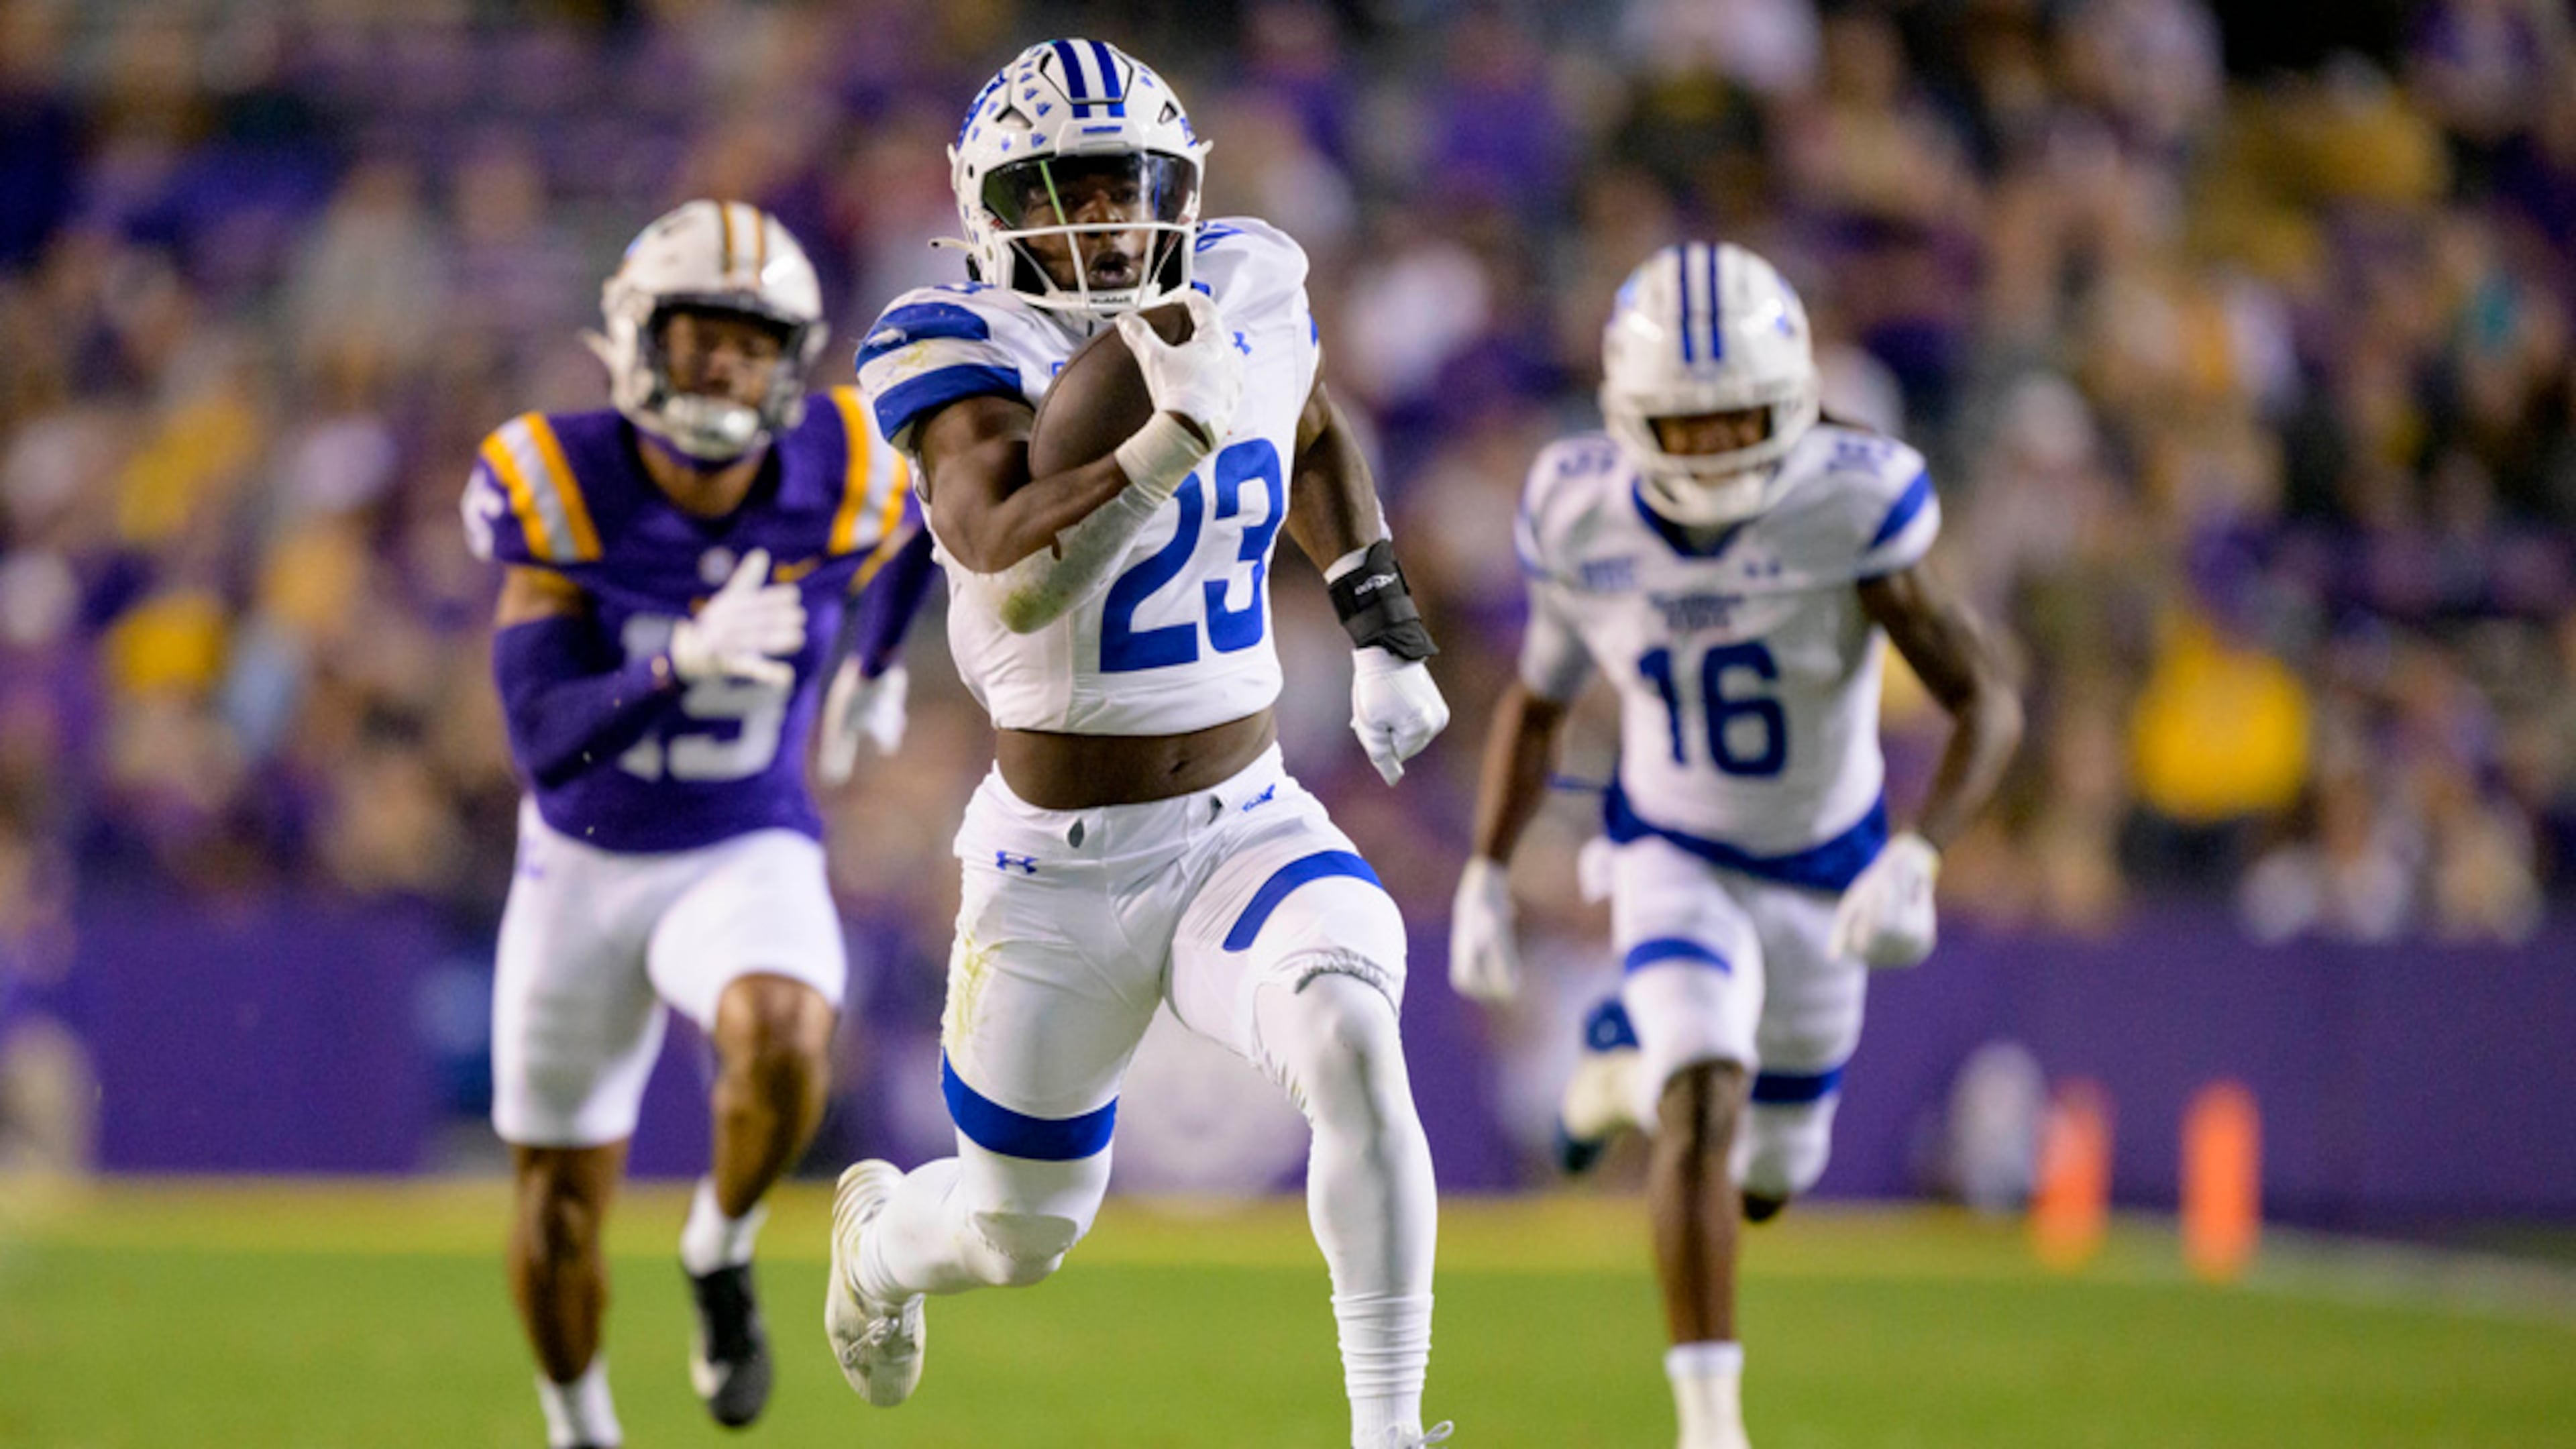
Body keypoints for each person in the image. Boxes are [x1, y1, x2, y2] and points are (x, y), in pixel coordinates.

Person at [826, 38, 1454, 1449]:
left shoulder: (1249, 279)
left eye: (1126, 187)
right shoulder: (953, 345)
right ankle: (877, 1248)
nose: (1103, 222)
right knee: (1016, 1229)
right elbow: (1005, 559)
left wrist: (1382, 625)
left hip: (1245, 819)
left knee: (1352, 1036)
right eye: (1061, 191)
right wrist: (1158, 448)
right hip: (1056, 865)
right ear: (989, 207)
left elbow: (1305, 426)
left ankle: (1389, 1430)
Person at [1447, 241, 2022, 1449]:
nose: (1713, 449)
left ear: (1795, 401)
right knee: (1707, 1099)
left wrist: (1919, 853)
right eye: (1685, 424)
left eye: (1737, 420)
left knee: (1769, 1177)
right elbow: (1539, 705)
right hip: (1674, 848)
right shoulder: (1582, 511)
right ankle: (1712, 1428)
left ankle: (1620, 1070)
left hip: (1827, 863)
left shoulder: (1851, 503)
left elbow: (1986, 700)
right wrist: (1486, 873)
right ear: (1627, 413)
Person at [463, 199, 937, 1449]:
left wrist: (879, 663)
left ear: (793, 358)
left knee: (785, 1033)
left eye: (753, 341)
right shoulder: (558, 479)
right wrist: (676, 662)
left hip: (743, 840)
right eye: (700, 336)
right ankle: (582, 1429)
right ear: (637, 338)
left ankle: (719, 1245)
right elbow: (542, 739)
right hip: (580, 861)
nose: (725, 365)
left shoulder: (850, 460)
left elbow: (924, 524)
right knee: (559, 1205)